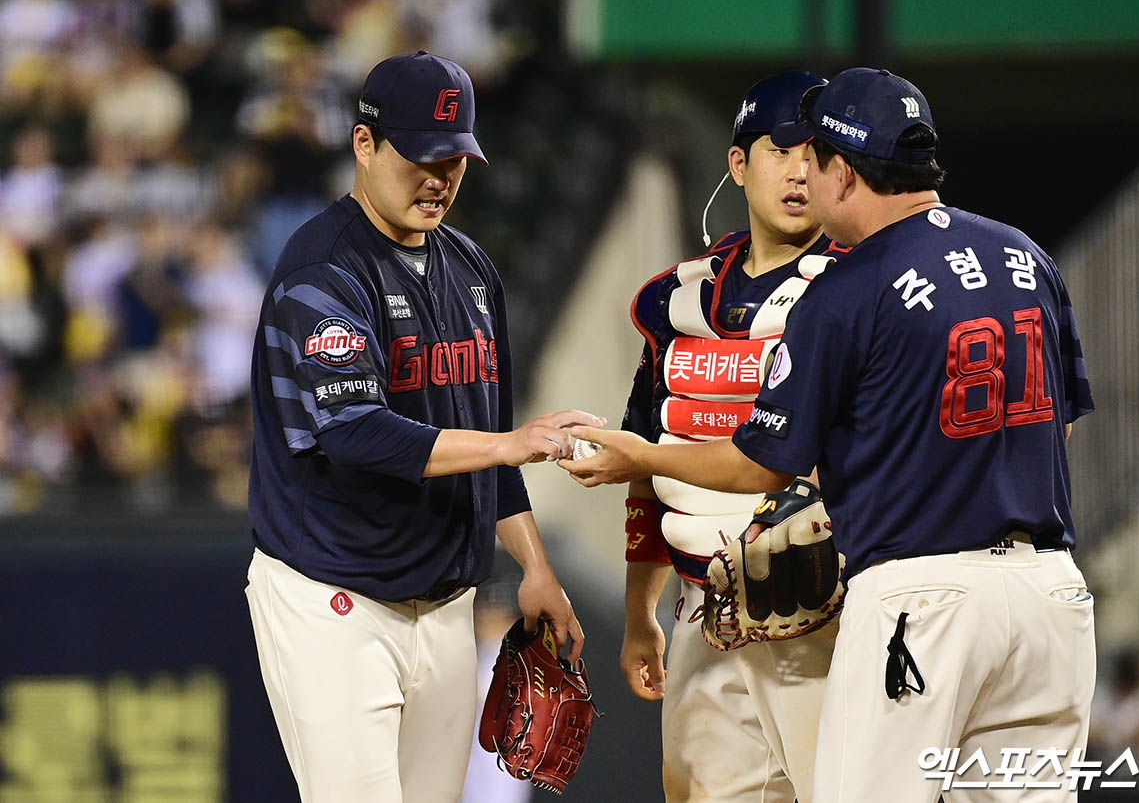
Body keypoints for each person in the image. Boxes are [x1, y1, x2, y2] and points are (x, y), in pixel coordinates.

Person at [563, 67, 1095, 802]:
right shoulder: (1023, 254)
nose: (800, 178)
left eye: (811, 159)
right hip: (1049, 594)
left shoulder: (849, 287)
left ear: (842, 170)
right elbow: (1057, 422)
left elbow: (762, 463)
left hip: (916, 593)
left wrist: (644, 458)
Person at [245, 51, 598, 803]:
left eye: (455, 159)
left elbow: (485, 438)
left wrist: (534, 567)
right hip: (334, 600)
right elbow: (355, 432)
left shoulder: (470, 270)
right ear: (365, 146)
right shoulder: (323, 268)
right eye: (421, 156)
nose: (439, 176)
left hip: (444, 608)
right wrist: (508, 444)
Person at [620, 71, 843, 803]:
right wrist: (638, 615)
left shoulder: (866, 286)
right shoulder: (677, 298)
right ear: (739, 164)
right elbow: (644, 456)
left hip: (833, 618)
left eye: (818, 152)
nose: (801, 170)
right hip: (701, 610)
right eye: (781, 150)